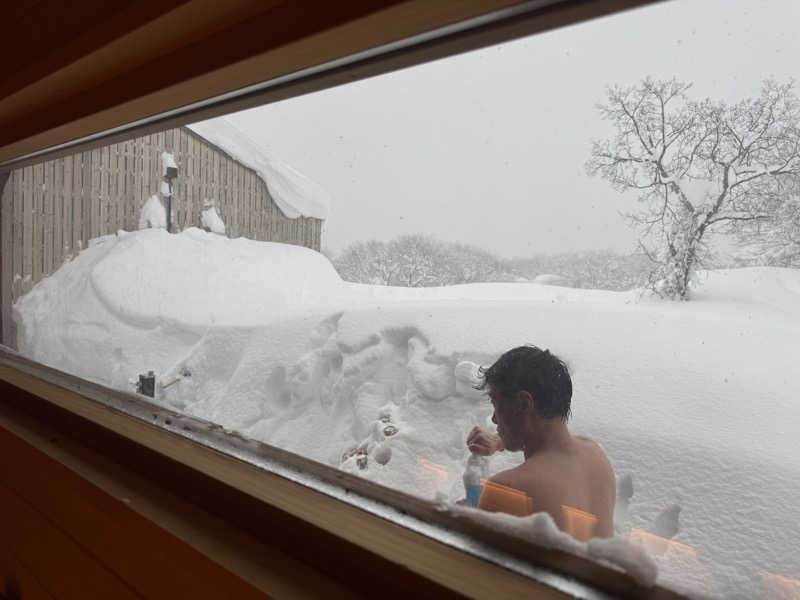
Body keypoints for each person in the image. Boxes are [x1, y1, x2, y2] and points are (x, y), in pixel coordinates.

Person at [466, 345, 615, 541]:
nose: (494, 419)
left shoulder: (509, 489)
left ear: (523, 404)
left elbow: (471, 559)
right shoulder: (595, 455)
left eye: (495, 404)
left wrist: (471, 502)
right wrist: (500, 441)